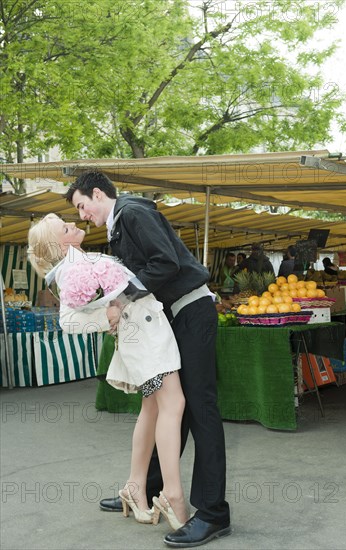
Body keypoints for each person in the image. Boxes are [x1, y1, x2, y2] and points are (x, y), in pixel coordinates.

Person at [65, 171, 231, 548]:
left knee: (199, 409)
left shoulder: (133, 212)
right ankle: (145, 488)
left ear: (96, 193)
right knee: (169, 406)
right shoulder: (120, 223)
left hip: (191, 311)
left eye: (81, 206)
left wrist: (120, 300)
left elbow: (166, 264)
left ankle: (213, 514)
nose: (82, 216)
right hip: (172, 318)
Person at [27, 214, 188, 530]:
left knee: (153, 410)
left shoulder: (78, 263)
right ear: (60, 243)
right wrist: (110, 315)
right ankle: (172, 495)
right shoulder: (72, 270)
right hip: (143, 337)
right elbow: (69, 322)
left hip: (144, 334)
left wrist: (112, 311)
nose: (73, 225)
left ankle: (135, 486)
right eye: (65, 227)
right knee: (174, 405)